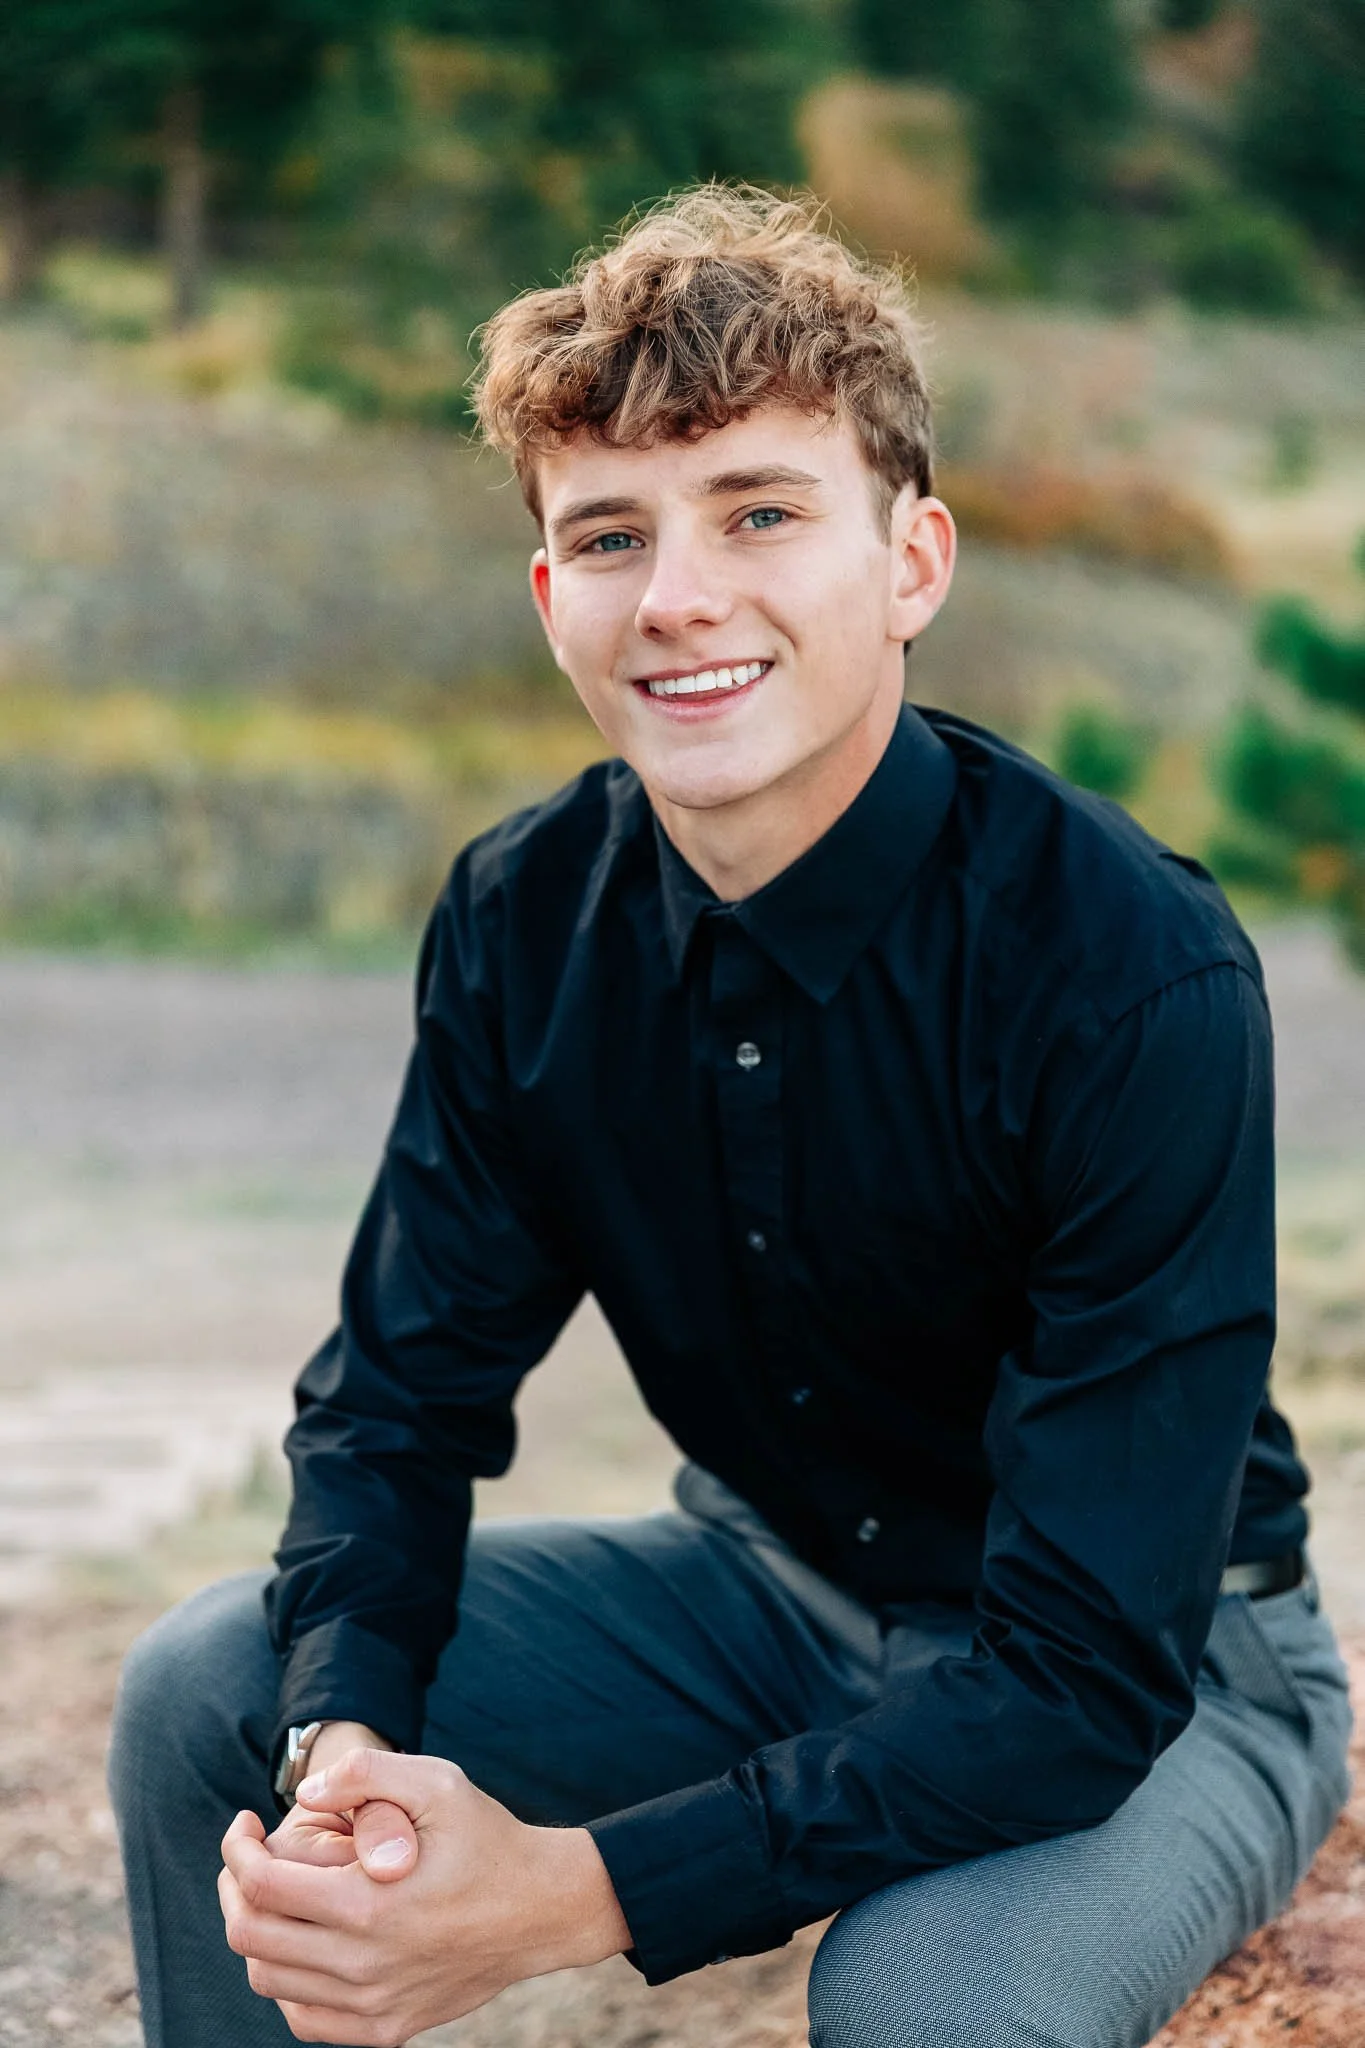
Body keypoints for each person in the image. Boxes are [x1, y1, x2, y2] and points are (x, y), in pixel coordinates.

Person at [110, 185, 1352, 2048]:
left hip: (1167, 1669)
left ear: (911, 561)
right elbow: (394, 1401)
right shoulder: (521, 920)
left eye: (759, 511)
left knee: (922, 1998)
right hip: (770, 1594)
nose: (678, 595)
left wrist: (578, 1897)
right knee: (207, 1690)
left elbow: (1088, 1672)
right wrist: (342, 1741)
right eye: (610, 535)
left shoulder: (1132, 967)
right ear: (553, 600)